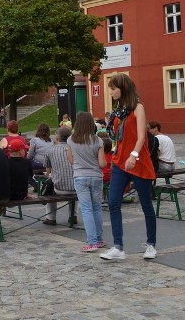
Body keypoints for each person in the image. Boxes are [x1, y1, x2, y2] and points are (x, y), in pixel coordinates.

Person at [101, 73, 158, 261]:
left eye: (113, 88)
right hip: (119, 161)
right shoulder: (119, 110)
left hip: (137, 162)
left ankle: (151, 244)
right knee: (113, 202)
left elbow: (142, 136)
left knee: (146, 205)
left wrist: (133, 155)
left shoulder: (137, 107)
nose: (110, 92)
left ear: (122, 88)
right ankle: (118, 247)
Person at [68, 112, 107, 252]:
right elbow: (102, 163)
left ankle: (92, 242)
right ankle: (99, 238)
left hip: (80, 176)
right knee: (97, 207)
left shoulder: (71, 140)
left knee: (86, 209)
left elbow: (71, 160)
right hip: (96, 176)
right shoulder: (98, 140)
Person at [43, 127, 75, 226]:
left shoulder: (50, 150)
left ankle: (50, 218)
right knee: (74, 183)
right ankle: (73, 216)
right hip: (76, 187)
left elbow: (48, 171)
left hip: (59, 188)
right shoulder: (75, 149)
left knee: (50, 187)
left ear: (57, 137)